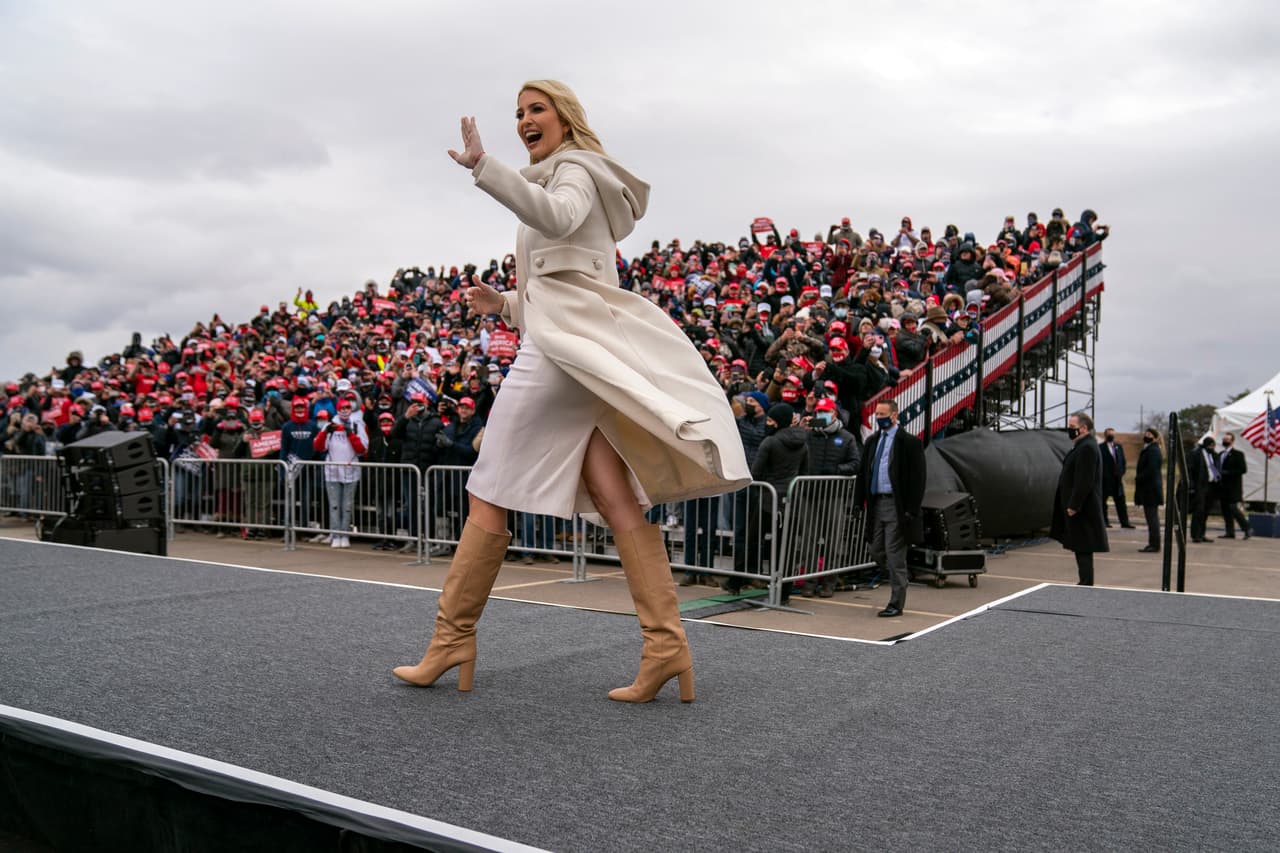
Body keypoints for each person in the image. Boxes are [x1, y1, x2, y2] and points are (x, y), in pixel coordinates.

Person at [392, 80, 750, 703]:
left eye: (537, 110)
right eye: (519, 114)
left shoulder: (576, 173)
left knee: (487, 489)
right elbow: (565, 292)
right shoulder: (568, 177)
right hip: (570, 348)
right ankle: (667, 649)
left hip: (556, 357)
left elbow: (556, 222)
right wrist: (504, 302)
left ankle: (453, 640)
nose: (525, 120)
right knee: (614, 497)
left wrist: (483, 166)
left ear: (565, 119)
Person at [853, 398, 925, 616]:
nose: (879, 418)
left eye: (883, 414)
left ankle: (896, 602)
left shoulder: (909, 443)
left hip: (897, 505)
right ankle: (901, 574)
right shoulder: (873, 441)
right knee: (876, 550)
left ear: (894, 415)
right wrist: (858, 503)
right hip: (877, 504)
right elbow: (863, 473)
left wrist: (911, 509)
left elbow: (918, 478)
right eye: (877, 414)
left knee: (894, 554)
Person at [1050, 412, 1109, 584]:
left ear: (1083, 428)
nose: (1069, 430)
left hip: (1083, 509)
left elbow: (1084, 480)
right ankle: (1084, 581)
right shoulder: (1082, 445)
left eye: (1072, 427)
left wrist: (1074, 505)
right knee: (1080, 547)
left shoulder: (1087, 448)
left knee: (1083, 547)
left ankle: (1086, 582)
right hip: (1080, 507)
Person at [313, 396, 368, 548]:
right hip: (332, 471)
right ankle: (335, 534)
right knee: (334, 504)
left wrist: (350, 434)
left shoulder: (357, 424)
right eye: (342, 408)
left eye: (347, 408)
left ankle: (344, 534)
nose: (344, 411)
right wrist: (325, 432)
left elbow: (362, 449)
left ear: (351, 410)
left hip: (351, 470)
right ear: (337, 409)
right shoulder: (330, 425)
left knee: (348, 505)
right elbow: (318, 447)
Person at [1133, 427, 1164, 553]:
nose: (1146, 435)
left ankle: (1154, 544)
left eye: (1150, 434)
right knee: (1151, 518)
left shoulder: (1153, 451)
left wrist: (1139, 477)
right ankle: (1153, 543)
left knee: (1152, 519)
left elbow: (1151, 470)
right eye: (1146, 433)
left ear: (1155, 437)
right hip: (1149, 489)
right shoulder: (1149, 449)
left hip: (1150, 490)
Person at [1217, 432, 1251, 540]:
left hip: (1233, 487)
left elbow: (1243, 469)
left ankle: (1247, 528)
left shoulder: (1238, 454)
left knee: (1233, 509)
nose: (1225, 441)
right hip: (1222, 488)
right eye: (1224, 439)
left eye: (1227, 439)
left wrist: (1228, 472)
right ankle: (1230, 532)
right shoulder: (1220, 454)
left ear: (1232, 441)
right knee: (1225, 510)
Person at [1099, 427, 1134, 529]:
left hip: (1117, 480)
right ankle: (1104, 522)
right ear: (1105, 435)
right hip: (1105, 480)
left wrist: (1121, 472)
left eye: (1113, 434)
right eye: (1109, 434)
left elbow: (1122, 461)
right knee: (1103, 503)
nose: (1111, 436)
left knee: (1121, 503)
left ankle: (1125, 522)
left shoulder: (1118, 447)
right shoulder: (1101, 448)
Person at [1186, 435, 1218, 543]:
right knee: (1198, 511)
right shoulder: (1196, 454)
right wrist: (1191, 485)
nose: (1212, 447)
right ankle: (1196, 534)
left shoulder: (1213, 455)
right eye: (1210, 445)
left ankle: (1202, 533)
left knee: (1206, 511)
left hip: (1211, 486)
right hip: (1200, 486)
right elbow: (1189, 470)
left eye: (1213, 446)